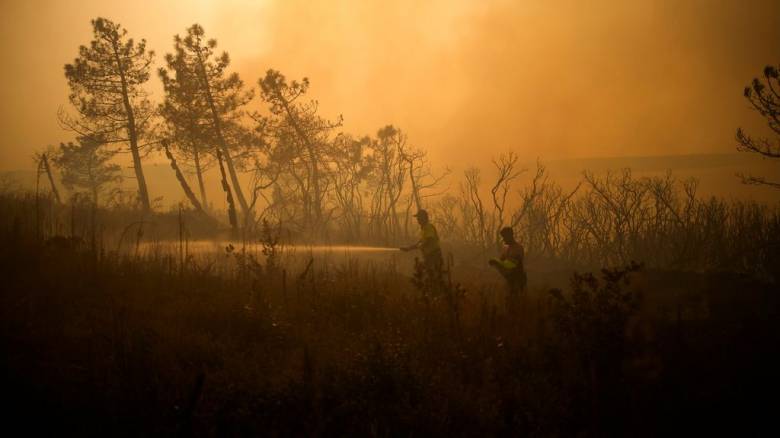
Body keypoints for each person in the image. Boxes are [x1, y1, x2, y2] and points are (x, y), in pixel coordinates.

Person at [400, 209, 444, 277]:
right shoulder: (423, 229)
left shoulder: (428, 227)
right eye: (417, 218)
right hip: (429, 256)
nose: (417, 220)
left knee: (434, 275)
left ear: (423, 218)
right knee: (425, 272)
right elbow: (420, 242)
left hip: (434, 256)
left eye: (419, 218)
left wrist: (420, 246)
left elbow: (429, 240)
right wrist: (408, 248)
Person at [489, 226, 526, 295]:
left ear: (510, 236)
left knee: (516, 301)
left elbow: (513, 265)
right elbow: (502, 261)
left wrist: (497, 262)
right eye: (503, 237)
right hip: (508, 280)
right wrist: (496, 262)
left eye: (505, 237)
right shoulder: (506, 248)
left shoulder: (518, 248)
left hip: (517, 280)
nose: (503, 239)